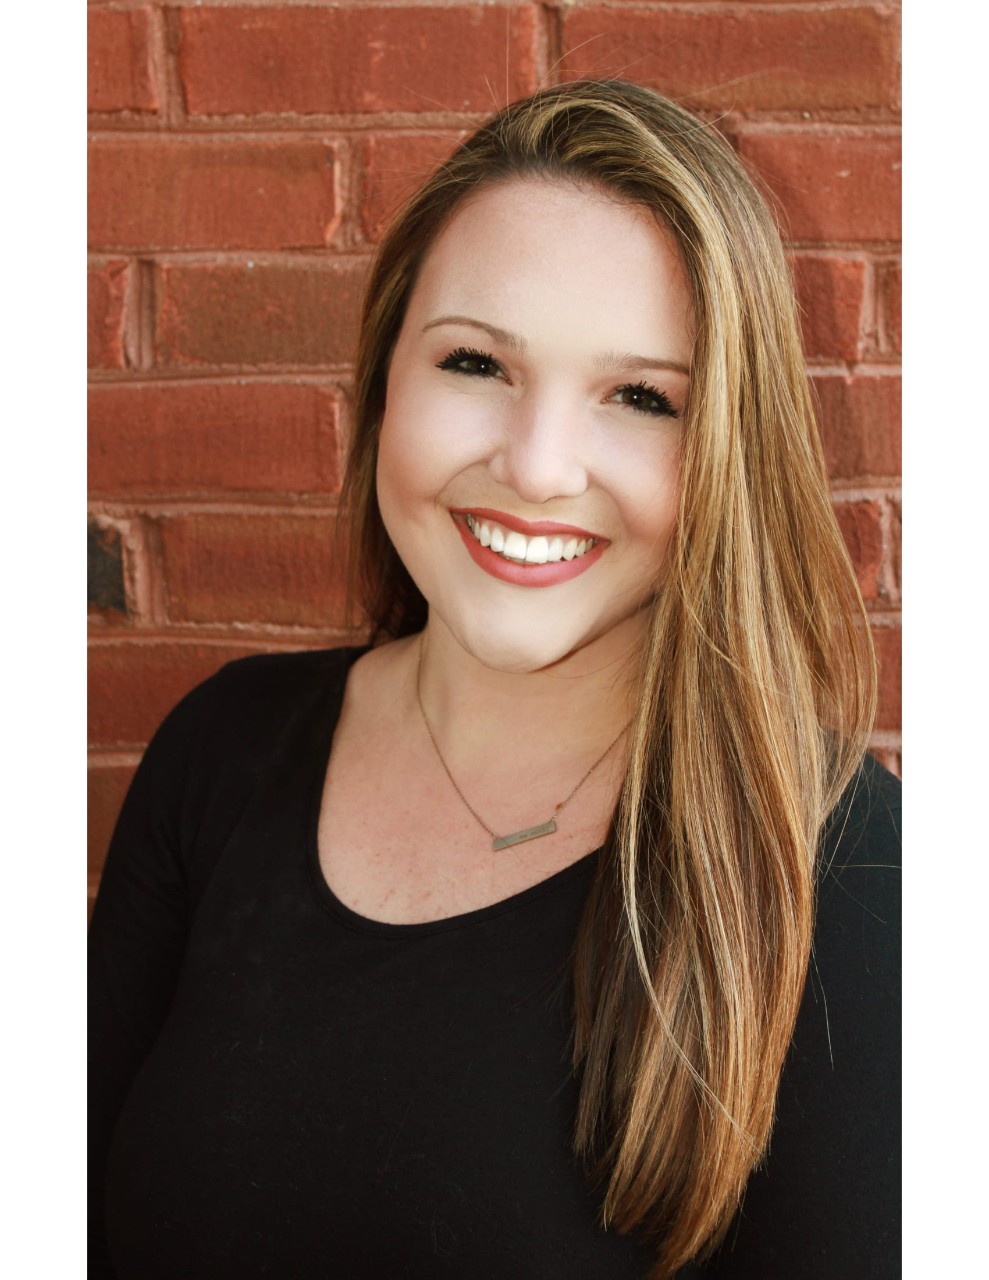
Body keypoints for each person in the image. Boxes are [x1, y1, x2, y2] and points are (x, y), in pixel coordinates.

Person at [89, 79, 900, 1278]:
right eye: (476, 362)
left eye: (639, 396)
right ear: (383, 382)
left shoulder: (838, 860)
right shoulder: (220, 750)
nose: (533, 466)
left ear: (726, 446)